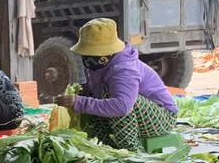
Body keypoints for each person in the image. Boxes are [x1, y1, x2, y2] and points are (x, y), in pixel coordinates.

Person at [55, 18, 178, 152]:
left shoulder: (124, 69)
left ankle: (134, 153)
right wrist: (85, 93)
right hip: (134, 117)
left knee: (109, 97)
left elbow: (122, 107)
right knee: (90, 107)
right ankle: (110, 149)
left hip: (162, 118)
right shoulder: (97, 65)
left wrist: (81, 102)